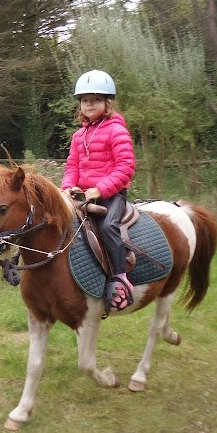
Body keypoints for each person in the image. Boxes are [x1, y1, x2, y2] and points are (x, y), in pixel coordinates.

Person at [61, 69, 136, 313]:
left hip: (112, 195)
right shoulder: (78, 135)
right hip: (83, 194)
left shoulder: (117, 130)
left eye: (95, 99)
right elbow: (72, 165)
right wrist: (67, 187)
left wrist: (100, 189)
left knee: (107, 227)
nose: (89, 104)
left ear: (107, 102)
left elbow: (126, 167)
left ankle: (120, 278)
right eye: (85, 100)